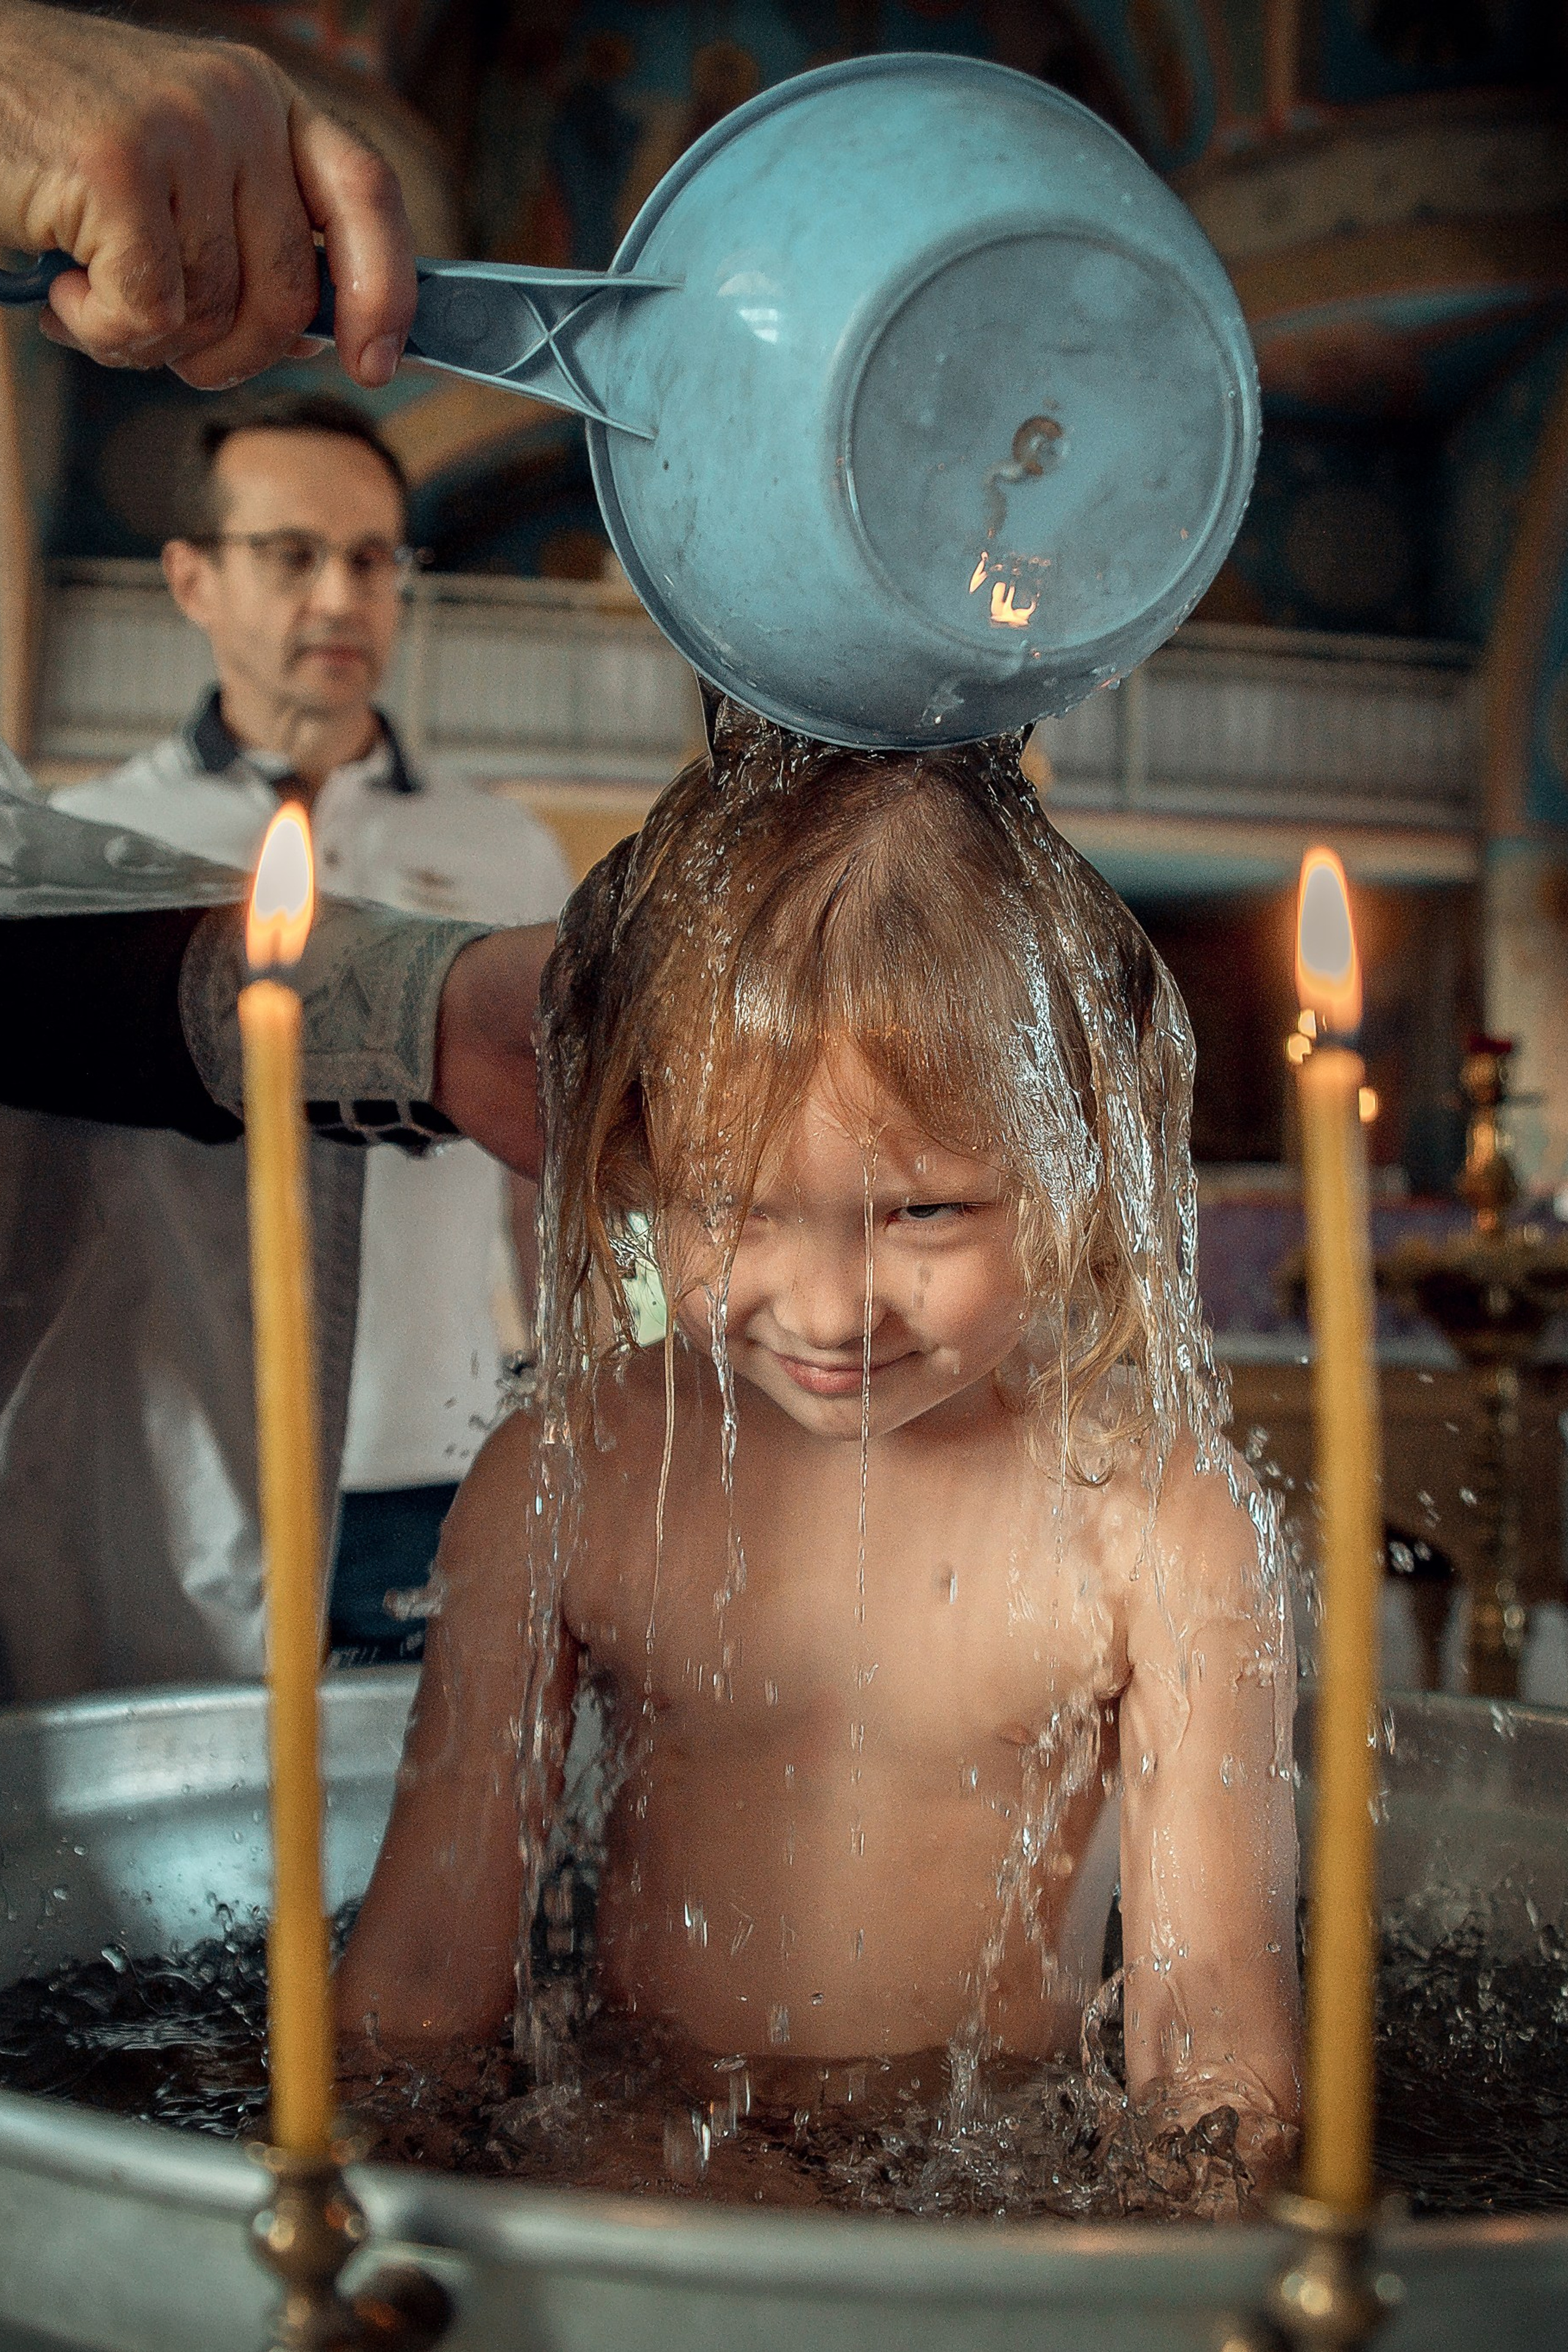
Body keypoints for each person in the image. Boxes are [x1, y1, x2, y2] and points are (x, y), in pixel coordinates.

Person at [339, 704, 1301, 2198]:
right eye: (731, 1205)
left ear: (1083, 1161)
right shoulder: (571, 1472)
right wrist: (373, 2177)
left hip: (993, 2164)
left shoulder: (1152, 1517)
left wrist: (1195, 2244)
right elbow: (421, 1969)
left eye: (925, 1212)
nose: (831, 1307)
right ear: (633, 1158)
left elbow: (1212, 2031)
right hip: (642, 2135)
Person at [31, 394, 571, 1678]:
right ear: (193, 578)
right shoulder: (101, 851)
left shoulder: (502, 849)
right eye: (290, 555)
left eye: (373, 558)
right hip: (185, 1460)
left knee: (419, 1835)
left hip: (434, 1449)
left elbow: (549, 1174)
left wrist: (578, 1388)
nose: (339, 595)